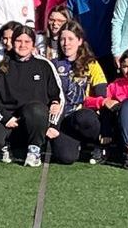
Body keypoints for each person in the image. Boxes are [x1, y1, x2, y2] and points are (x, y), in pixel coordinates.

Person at [0, 27, 63, 167]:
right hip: (10, 121)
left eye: (27, 41)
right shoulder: (1, 68)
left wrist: (54, 122)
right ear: (13, 43)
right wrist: (5, 118)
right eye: (18, 41)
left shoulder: (44, 65)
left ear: (33, 44)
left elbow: (57, 96)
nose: (22, 45)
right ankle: (6, 147)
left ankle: (34, 150)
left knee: (36, 110)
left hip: (35, 121)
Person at [44, 25, 109, 165]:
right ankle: (76, 144)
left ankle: (96, 144)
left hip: (83, 115)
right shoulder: (53, 64)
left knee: (84, 118)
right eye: (62, 39)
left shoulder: (91, 64)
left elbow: (102, 95)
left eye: (70, 39)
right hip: (63, 120)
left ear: (79, 41)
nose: (66, 43)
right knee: (66, 157)